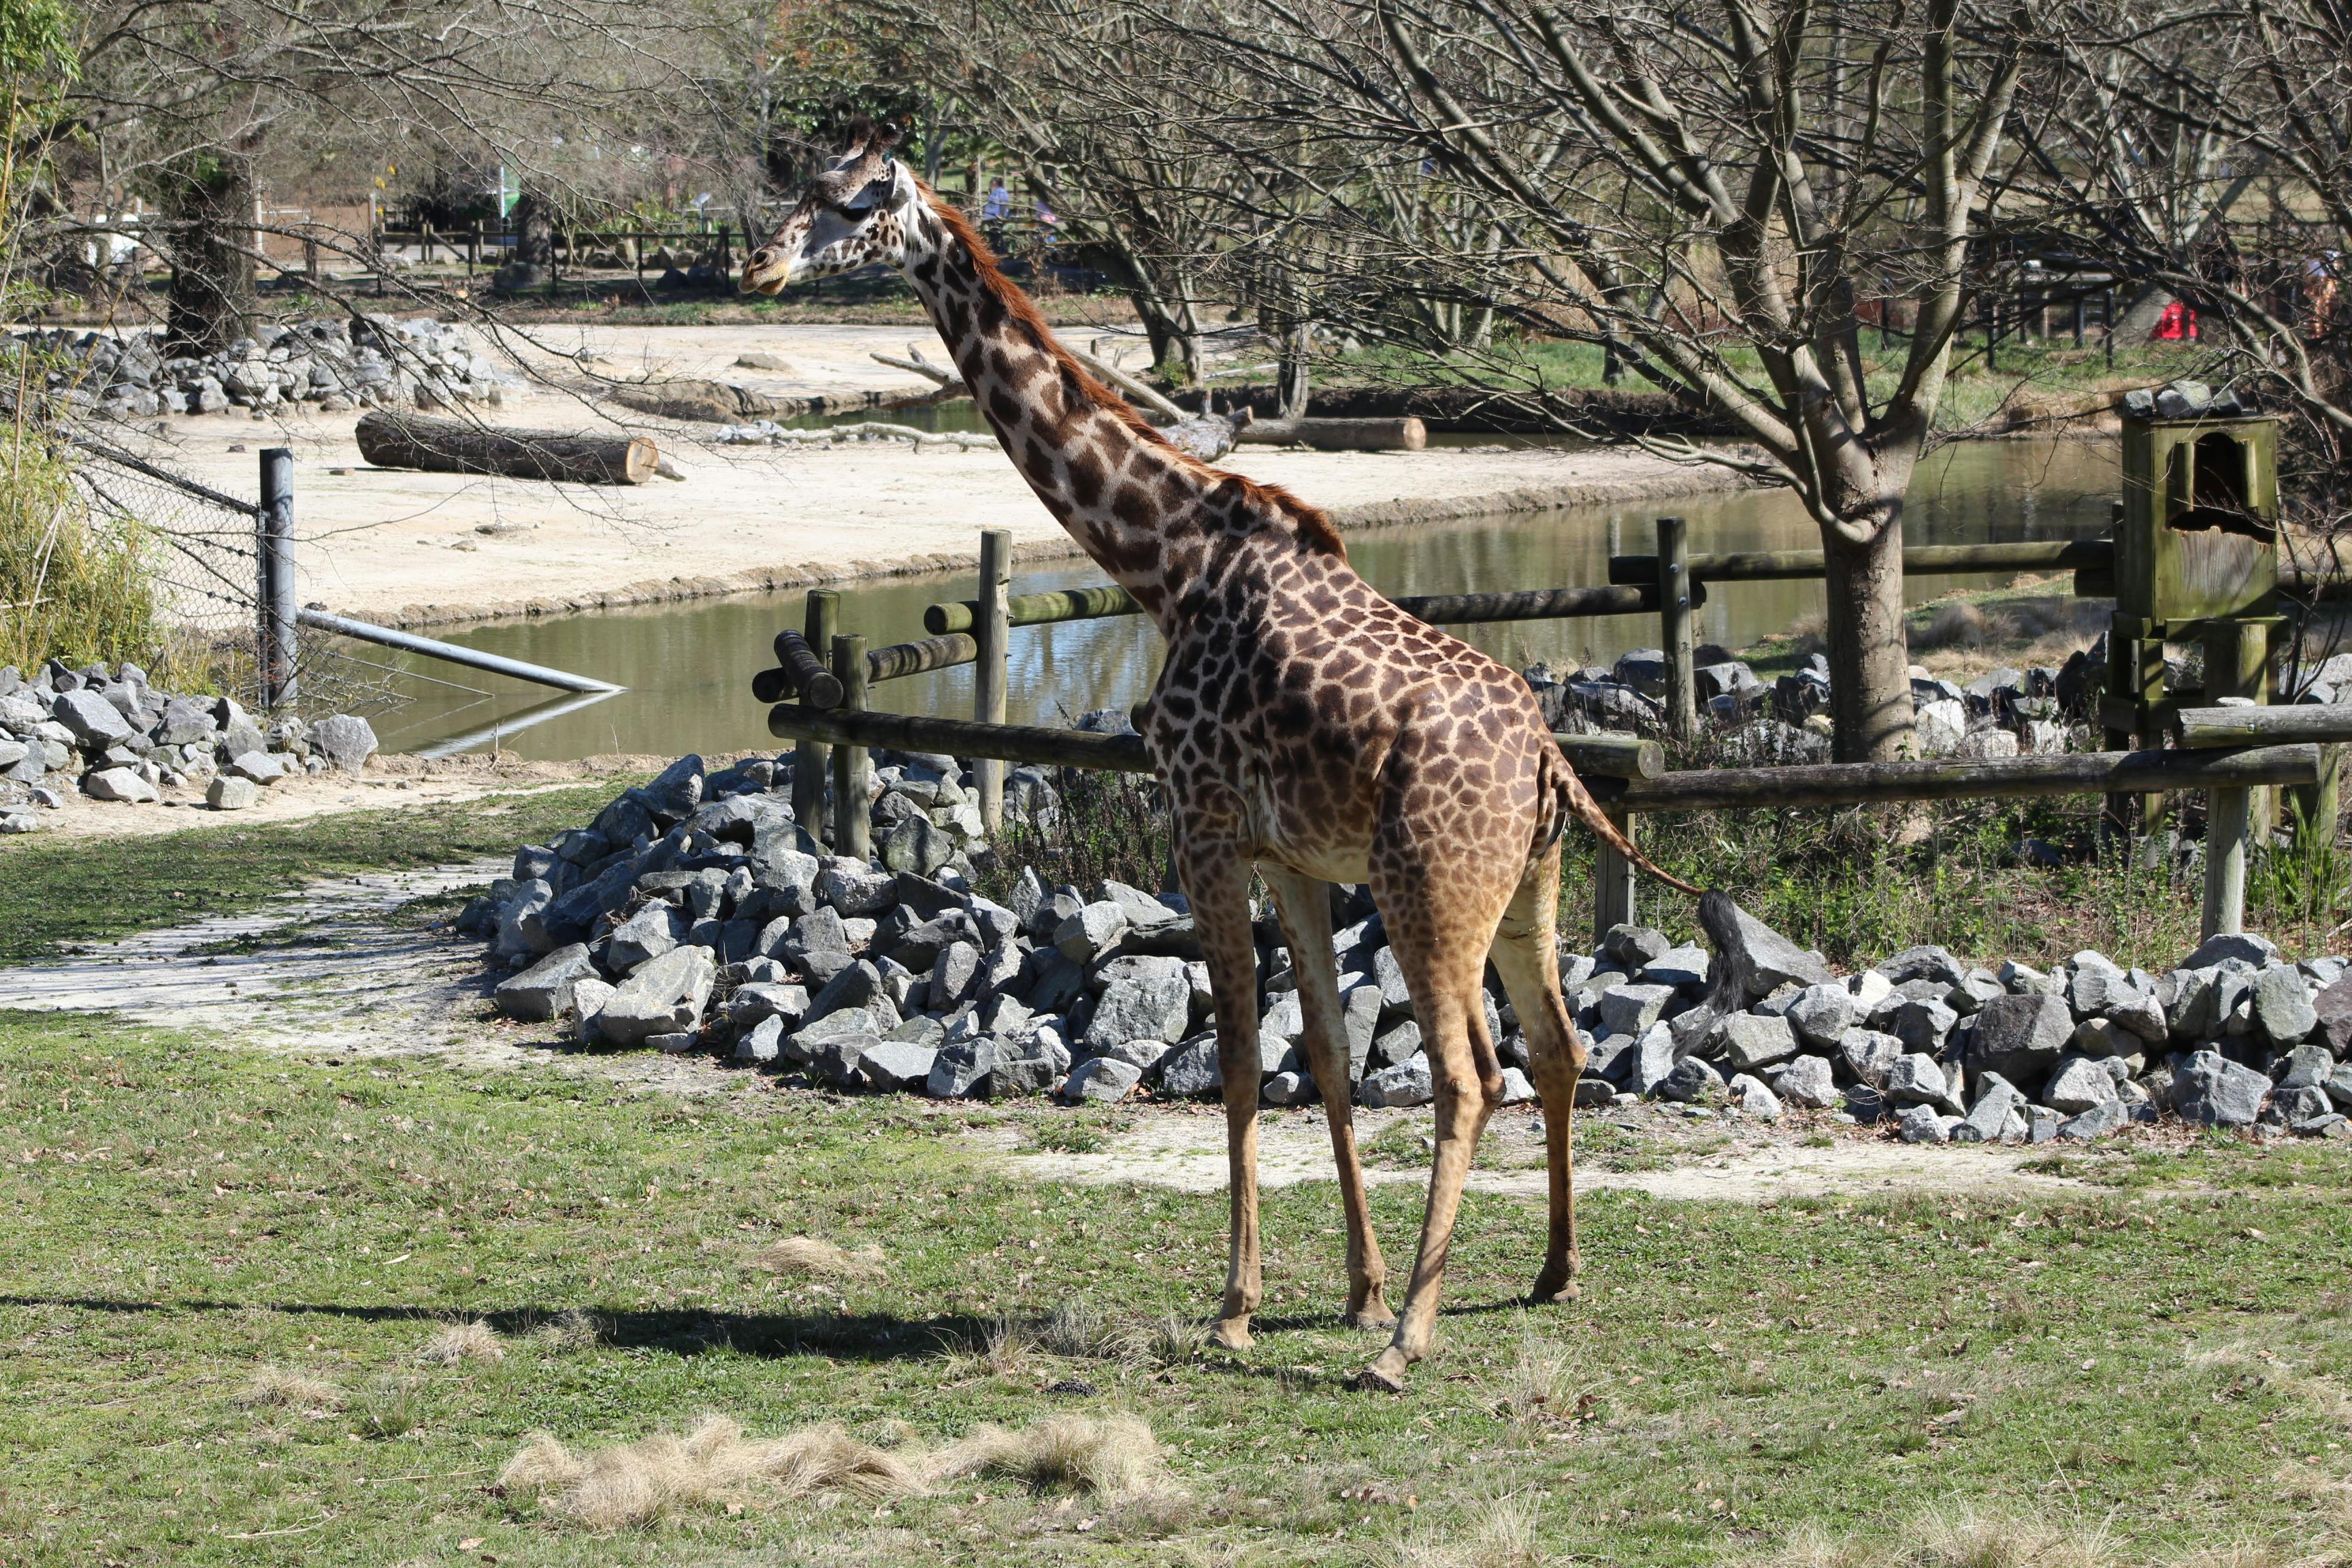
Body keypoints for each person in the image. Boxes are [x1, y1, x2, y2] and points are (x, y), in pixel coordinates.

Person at [981, 177, 1011, 254]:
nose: (990, 183)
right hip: (991, 218)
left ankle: (1000, 253)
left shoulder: (1001, 192)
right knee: (993, 236)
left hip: (997, 218)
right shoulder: (994, 192)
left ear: (996, 182)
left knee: (997, 235)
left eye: (992, 181)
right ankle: (996, 252)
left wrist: (1001, 216)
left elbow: (1004, 204)